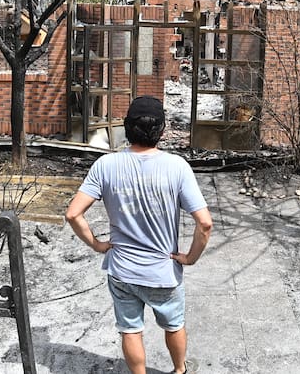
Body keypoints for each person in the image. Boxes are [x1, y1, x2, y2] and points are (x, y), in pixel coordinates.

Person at [65, 95, 212, 374]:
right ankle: (180, 369)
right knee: (174, 324)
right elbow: (204, 224)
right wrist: (190, 258)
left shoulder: (105, 165)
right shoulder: (177, 167)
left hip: (122, 270)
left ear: (127, 127)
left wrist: (97, 244)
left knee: (130, 330)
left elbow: (73, 214)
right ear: (162, 130)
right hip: (163, 273)